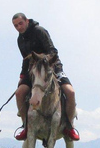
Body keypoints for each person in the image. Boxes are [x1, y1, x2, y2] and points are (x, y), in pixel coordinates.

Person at [12, 13, 79, 141]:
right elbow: (25, 59)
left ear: (26, 21)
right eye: (15, 26)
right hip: (33, 71)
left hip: (52, 67)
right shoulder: (20, 39)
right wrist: (22, 75)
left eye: (20, 23)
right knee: (19, 93)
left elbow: (53, 51)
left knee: (70, 92)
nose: (19, 27)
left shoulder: (39, 31)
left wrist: (41, 60)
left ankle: (69, 127)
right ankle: (26, 126)